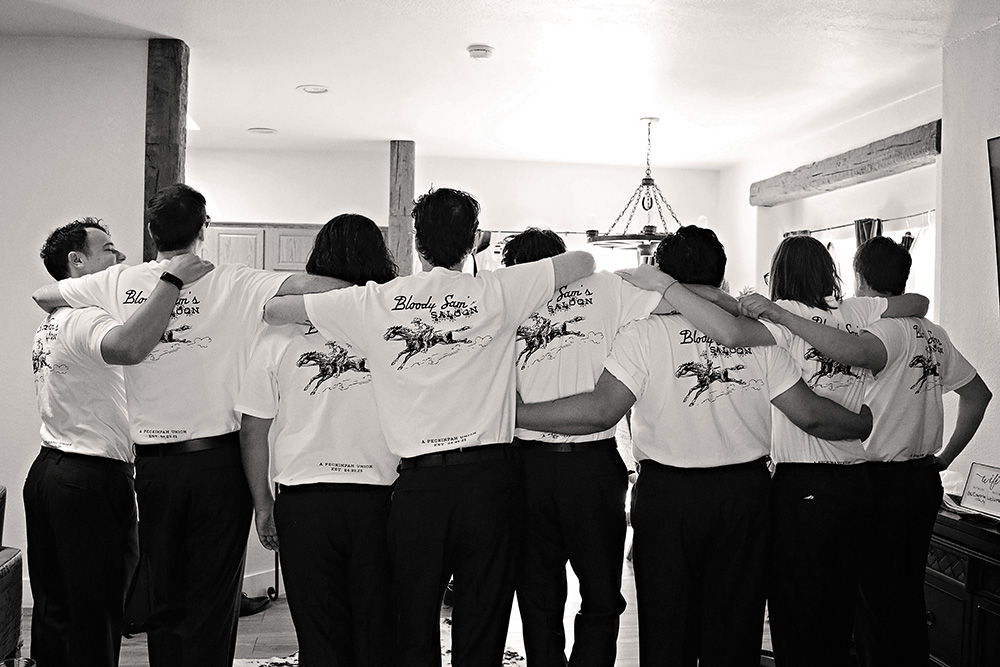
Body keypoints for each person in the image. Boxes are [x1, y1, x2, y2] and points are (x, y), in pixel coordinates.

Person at [264, 187, 596, 666]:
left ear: (416, 243)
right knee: (481, 625)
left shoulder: (378, 301)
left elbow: (275, 310)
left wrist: (360, 295)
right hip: (490, 482)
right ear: (474, 241)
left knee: (412, 627)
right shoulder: (500, 291)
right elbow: (582, 260)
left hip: (419, 489)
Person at [519, 225, 873, 666]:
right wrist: (863, 422)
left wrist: (509, 412)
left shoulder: (642, 335)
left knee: (667, 633)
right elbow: (812, 415)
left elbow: (600, 411)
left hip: (669, 501)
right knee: (735, 629)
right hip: (744, 498)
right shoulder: (757, 337)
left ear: (662, 277)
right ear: (721, 276)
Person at [31, 185, 348, 667]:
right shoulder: (236, 280)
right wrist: (385, 294)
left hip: (154, 469)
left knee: (165, 602)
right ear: (204, 228)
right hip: (219, 466)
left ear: (153, 232)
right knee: (212, 603)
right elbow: (316, 287)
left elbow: (44, 293)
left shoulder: (119, 282)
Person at [619, 233, 928, 667]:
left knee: (781, 618)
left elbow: (727, 333)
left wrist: (665, 286)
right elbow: (918, 304)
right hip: (843, 483)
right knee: (829, 615)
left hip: (785, 485)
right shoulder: (854, 311)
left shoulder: (773, 328)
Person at [739, 236, 992, 666]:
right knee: (896, 595)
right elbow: (978, 393)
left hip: (862, 477)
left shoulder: (872, 331)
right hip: (911, 480)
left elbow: (841, 367)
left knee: (851, 604)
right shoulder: (919, 330)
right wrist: (945, 458)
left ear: (859, 276)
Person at [25, 217, 213, 667]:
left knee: (55, 611)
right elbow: (129, 348)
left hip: (49, 472)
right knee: (97, 612)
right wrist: (171, 279)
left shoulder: (52, 321)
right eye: (108, 249)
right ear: (77, 262)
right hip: (88, 482)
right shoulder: (86, 318)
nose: (121, 257)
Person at [237, 214, 400, 667]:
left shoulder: (277, 331)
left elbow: (254, 428)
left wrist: (263, 505)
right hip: (381, 498)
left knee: (318, 633)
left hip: (305, 503)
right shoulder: (388, 319)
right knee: (378, 631)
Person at [501, 228, 661, 667]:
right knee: (602, 594)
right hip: (591, 467)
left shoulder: (503, 295)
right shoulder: (608, 287)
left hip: (527, 465)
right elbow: (674, 301)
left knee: (537, 594)